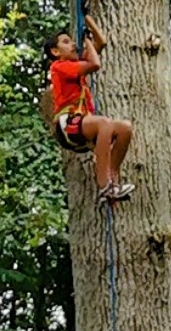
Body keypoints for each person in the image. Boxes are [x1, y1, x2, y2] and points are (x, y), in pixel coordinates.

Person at [48, 18, 134, 201]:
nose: (73, 44)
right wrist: (86, 40)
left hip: (81, 123)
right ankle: (105, 185)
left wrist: (87, 21)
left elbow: (101, 42)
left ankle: (113, 177)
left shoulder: (76, 65)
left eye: (72, 41)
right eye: (66, 42)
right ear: (55, 52)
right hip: (68, 123)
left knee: (125, 128)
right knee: (104, 123)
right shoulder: (59, 67)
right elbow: (95, 64)